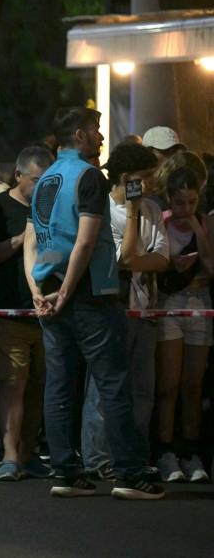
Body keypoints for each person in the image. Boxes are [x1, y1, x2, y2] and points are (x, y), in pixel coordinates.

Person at [24, 106, 164, 500]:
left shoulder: (47, 175)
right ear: (81, 136)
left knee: (60, 387)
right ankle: (129, 475)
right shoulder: (89, 177)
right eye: (97, 130)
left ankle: (66, 472)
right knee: (113, 386)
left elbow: (32, 239)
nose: (103, 137)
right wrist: (67, 293)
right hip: (88, 295)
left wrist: (39, 291)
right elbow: (85, 242)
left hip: (50, 292)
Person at [81, 142, 167, 481]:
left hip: (146, 309)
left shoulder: (153, 209)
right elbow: (124, 258)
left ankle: (134, 454)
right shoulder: (104, 209)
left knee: (142, 390)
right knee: (103, 389)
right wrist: (132, 212)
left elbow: (163, 256)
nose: (150, 184)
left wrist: (137, 261)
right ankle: (98, 458)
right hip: (112, 309)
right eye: (145, 177)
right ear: (127, 177)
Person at [0, 146, 55, 481]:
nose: (42, 189)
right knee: (12, 383)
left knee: (39, 385)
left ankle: (29, 452)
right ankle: (10, 455)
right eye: (36, 181)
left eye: (48, 182)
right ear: (19, 175)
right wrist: (21, 240)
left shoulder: (54, 209)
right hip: (8, 310)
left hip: (47, 313)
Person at [153, 167, 212, 483]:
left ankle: (192, 451)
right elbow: (158, 263)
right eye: (179, 203)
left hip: (200, 303)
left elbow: (211, 264)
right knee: (169, 385)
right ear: (169, 200)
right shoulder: (161, 221)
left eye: (191, 202)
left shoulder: (203, 221)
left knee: (193, 385)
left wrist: (198, 230)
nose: (185, 209)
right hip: (170, 303)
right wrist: (173, 264)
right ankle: (166, 450)